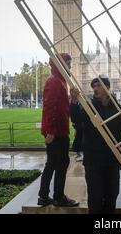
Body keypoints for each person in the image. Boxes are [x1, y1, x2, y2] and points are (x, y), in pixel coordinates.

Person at [70, 76, 121, 214]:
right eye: (94, 86)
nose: (95, 89)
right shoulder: (90, 106)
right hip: (94, 159)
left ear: (107, 87)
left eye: (99, 85)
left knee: (112, 195)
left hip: (112, 159)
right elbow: (76, 118)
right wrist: (74, 101)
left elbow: (120, 134)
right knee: (95, 196)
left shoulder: (117, 107)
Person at [37, 53, 79, 208]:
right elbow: (51, 108)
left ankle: (43, 196)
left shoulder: (59, 81)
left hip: (59, 130)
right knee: (60, 164)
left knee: (53, 163)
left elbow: (61, 107)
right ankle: (58, 197)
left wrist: (72, 100)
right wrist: (50, 131)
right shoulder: (55, 81)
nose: (69, 66)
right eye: (68, 63)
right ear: (60, 64)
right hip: (57, 132)